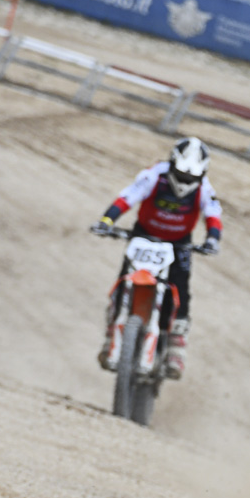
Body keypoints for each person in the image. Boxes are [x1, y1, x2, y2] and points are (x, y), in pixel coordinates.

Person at [91, 137, 222, 382]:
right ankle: (111, 336)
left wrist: (213, 239)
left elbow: (213, 214)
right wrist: (106, 221)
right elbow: (128, 197)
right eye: (181, 175)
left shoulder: (205, 189)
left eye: (190, 178)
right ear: (172, 164)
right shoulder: (153, 176)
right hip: (143, 236)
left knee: (181, 289)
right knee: (123, 281)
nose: (184, 182)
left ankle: (176, 346)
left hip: (179, 243)